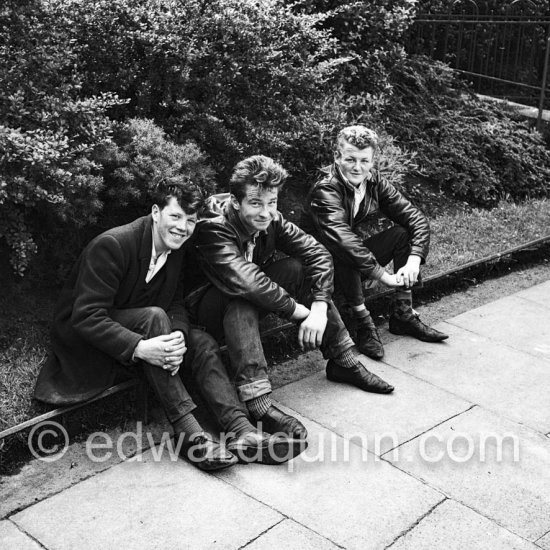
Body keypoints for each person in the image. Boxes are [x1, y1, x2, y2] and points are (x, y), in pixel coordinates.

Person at [34, 179, 299, 470]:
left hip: (147, 330)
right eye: (175, 216)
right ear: (156, 212)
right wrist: (140, 347)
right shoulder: (112, 245)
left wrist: (178, 338)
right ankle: (188, 432)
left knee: (201, 343)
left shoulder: (176, 249)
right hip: (90, 340)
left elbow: (175, 303)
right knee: (153, 317)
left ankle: (241, 431)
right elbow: (85, 316)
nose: (182, 227)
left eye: (190, 221)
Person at [190, 155, 394, 443]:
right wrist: (301, 314)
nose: (265, 212)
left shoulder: (272, 218)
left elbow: (318, 253)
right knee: (243, 296)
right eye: (256, 203)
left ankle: (343, 361)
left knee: (297, 269)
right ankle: (257, 402)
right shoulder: (213, 226)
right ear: (236, 202)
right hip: (203, 313)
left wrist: (320, 309)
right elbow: (247, 280)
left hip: (247, 298)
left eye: (272, 202)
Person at [306, 125, 448, 360]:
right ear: (337, 156)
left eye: (364, 160)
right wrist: (382, 275)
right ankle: (362, 321)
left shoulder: (373, 181)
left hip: (347, 256)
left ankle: (403, 313)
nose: (357, 167)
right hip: (320, 266)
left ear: (373, 161)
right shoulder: (325, 189)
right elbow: (343, 240)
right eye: (350, 159)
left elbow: (416, 219)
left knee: (403, 234)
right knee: (348, 249)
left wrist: (413, 261)